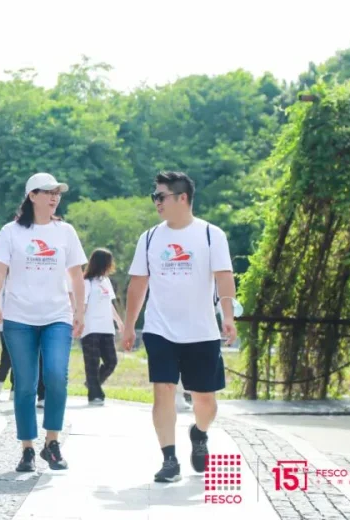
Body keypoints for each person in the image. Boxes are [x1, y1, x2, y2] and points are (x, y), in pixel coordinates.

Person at [121, 171, 237, 483]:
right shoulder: (149, 238)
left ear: (182, 198)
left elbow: (224, 277)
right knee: (163, 390)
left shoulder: (211, 235)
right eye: (154, 197)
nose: (156, 202)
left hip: (202, 330)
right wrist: (129, 325)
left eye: (161, 196)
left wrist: (227, 315)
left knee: (205, 401)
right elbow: (138, 284)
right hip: (160, 328)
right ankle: (169, 459)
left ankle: (199, 433)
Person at [0, 172, 87, 473]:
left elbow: (77, 274)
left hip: (57, 315)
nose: (55, 197)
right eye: (48, 192)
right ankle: (27, 448)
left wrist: (79, 311)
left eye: (58, 192)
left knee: (56, 375)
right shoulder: (11, 232)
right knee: (25, 384)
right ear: (32, 196)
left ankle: (52, 443)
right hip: (19, 317)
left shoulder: (65, 231)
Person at [80, 248, 123, 405]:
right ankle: (95, 394)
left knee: (111, 361)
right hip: (90, 328)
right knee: (92, 364)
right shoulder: (86, 282)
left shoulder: (106, 281)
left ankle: (92, 384)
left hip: (107, 328)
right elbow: (83, 305)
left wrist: (119, 322)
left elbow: (109, 304)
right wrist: (78, 322)